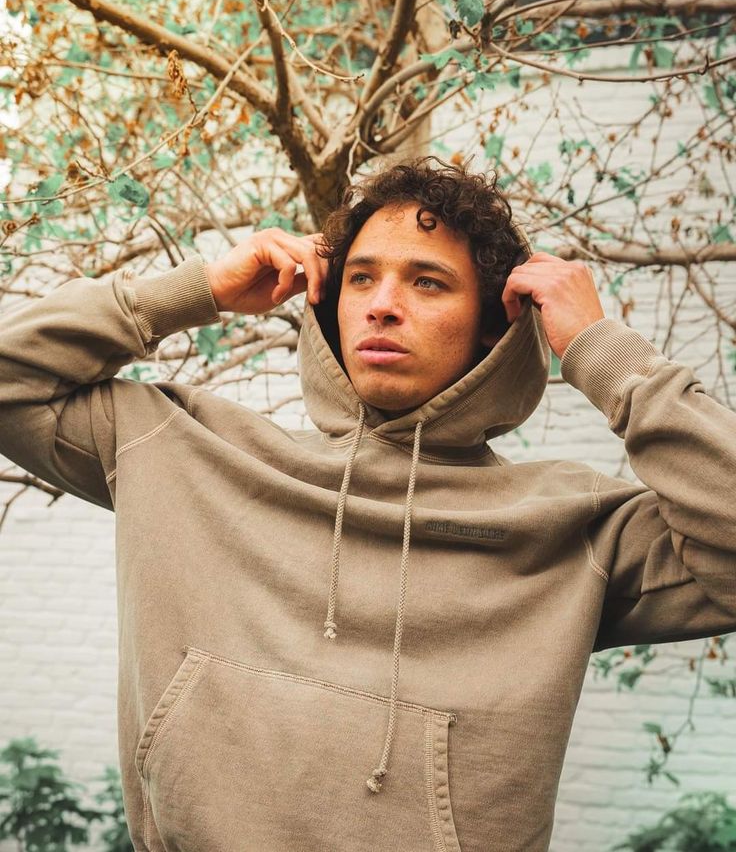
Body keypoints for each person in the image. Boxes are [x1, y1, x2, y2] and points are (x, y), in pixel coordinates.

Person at [0, 156, 734, 852]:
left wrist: (604, 352)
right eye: (360, 279)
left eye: (428, 283)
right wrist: (202, 290)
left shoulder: (577, 532)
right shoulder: (182, 447)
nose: (382, 307)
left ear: (495, 323)